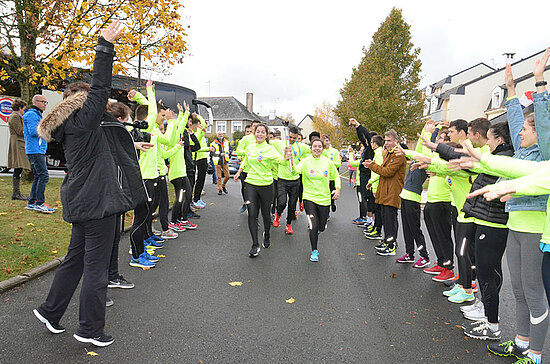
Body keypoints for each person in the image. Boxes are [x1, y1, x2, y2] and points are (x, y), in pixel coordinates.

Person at [33, 21, 135, 347]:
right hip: (98, 202)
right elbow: (101, 88)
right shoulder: (84, 118)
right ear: (81, 100)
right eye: (89, 98)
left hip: (81, 200)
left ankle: (50, 311)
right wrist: (104, 46)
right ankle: (90, 329)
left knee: (75, 259)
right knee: (95, 267)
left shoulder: (71, 126)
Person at [233, 123, 291, 257]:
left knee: (266, 214)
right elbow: (246, 160)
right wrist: (239, 171)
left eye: (262, 132)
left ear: (266, 135)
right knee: (252, 213)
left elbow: (281, 161)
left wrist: (286, 157)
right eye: (257, 131)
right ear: (254, 133)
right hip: (251, 184)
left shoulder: (270, 149)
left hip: (266, 185)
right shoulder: (250, 147)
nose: (260, 134)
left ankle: (267, 235)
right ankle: (254, 244)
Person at [291, 137, 340, 261]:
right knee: (313, 225)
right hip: (309, 198)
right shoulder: (305, 161)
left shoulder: (328, 162)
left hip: (324, 199)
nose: (317, 148)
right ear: (311, 148)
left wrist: (338, 189)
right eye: (315, 146)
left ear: (322, 148)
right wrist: (290, 161)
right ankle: (314, 251)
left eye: (319, 146)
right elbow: (295, 171)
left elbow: (336, 176)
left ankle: (319, 229)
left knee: (321, 226)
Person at [363, 129, 407, 256]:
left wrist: (372, 165)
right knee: (386, 219)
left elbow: (387, 172)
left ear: (396, 141)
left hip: (392, 193)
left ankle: (391, 245)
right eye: (386, 140)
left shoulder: (398, 155)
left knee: (390, 220)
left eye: (389, 140)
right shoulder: (389, 154)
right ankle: (388, 242)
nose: (386, 143)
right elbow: (384, 171)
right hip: (386, 192)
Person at [270, 125, 311, 235]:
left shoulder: (301, 147)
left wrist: (301, 161)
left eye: (294, 138)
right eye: (291, 137)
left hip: (295, 180)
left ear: (297, 137)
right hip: (282, 179)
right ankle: (278, 216)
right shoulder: (279, 144)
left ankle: (288, 225)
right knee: (282, 202)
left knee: (292, 205)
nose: (292, 139)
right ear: (287, 136)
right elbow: (267, 142)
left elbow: (311, 152)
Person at [23, 94, 54, 213]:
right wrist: (48, 127)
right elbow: (33, 131)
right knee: (44, 175)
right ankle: (39, 203)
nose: (45, 104)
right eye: (43, 102)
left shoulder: (36, 114)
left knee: (38, 176)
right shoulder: (31, 115)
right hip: (35, 150)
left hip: (37, 149)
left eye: (46, 102)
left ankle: (32, 202)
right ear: (35, 102)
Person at [8, 99, 31, 200]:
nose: (24, 111)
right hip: (17, 142)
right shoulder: (15, 117)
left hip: (19, 142)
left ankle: (17, 193)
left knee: (19, 167)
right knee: (18, 167)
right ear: (19, 108)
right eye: (23, 109)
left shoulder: (17, 116)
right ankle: (16, 193)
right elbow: (20, 131)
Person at [236, 120, 261, 213]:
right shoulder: (246, 139)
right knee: (245, 188)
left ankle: (255, 206)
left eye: (258, 126)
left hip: (258, 169)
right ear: (251, 128)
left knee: (257, 190)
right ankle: (246, 203)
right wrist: (247, 152)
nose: (256, 128)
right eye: (254, 126)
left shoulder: (262, 139)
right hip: (246, 168)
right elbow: (238, 151)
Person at [321, 134, 341, 213]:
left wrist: (329, 162)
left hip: (331, 177)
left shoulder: (334, 151)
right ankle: (326, 212)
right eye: (324, 141)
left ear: (329, 141)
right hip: (322, 177)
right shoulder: (320, 151)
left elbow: (338, 163)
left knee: (331, 194)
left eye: (327, 141)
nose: (326, 143)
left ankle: (332, 203)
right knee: (324, 195)